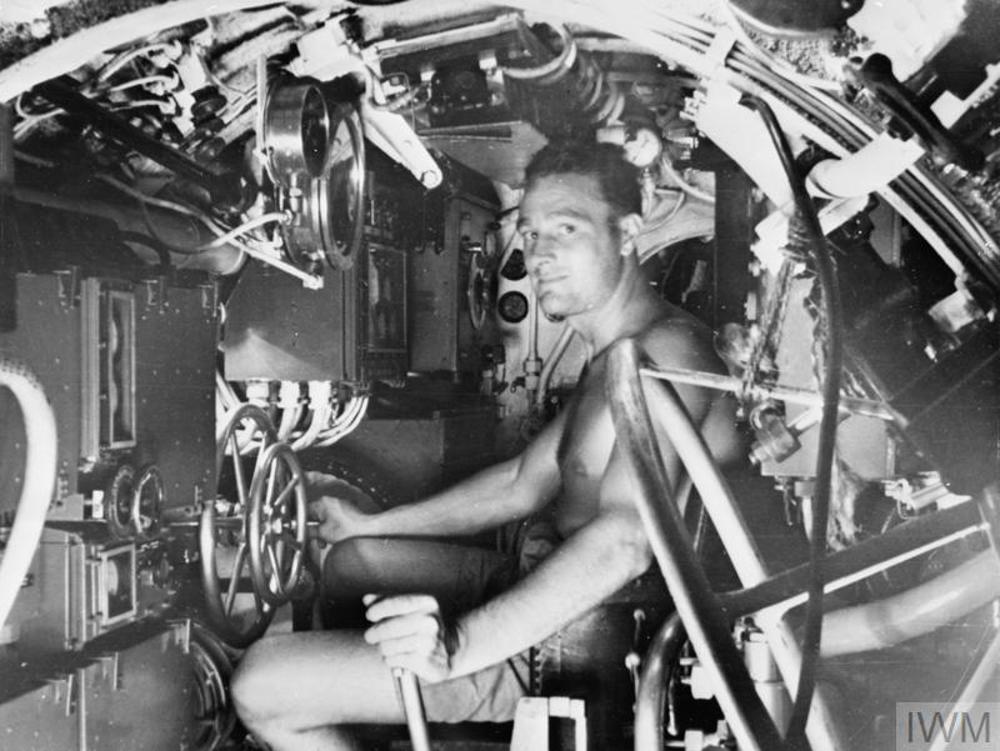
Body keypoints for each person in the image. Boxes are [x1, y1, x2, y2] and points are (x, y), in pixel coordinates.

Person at [231, 140, 738, 750]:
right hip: (540, 578)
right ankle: (371, 708)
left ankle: (354, 700)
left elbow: (626, 543)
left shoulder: (667, 353)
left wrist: (459, 647)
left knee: (260, 685)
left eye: (566, 228)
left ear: (627, 232)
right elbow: (522, 482)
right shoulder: (616, 354)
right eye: (529, 231)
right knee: (349, 563)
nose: (539, 252)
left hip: (578, 643)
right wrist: (367, 523)